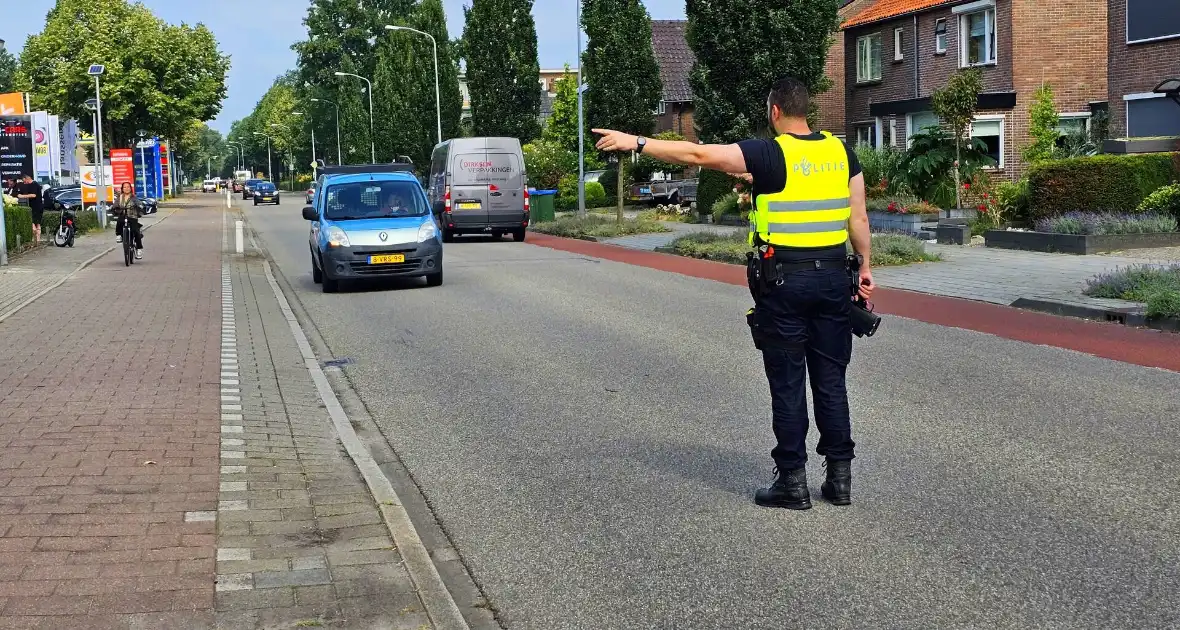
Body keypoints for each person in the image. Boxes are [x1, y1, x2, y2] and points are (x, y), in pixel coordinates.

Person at [594, 76, 874, 510]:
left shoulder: (770, 151)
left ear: (775, 111)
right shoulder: (841, 153)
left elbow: (698, 153)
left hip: (784, 282)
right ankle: (840, 480)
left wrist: (637, 142)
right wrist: (867, 266)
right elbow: (858, 218)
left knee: (787, 382)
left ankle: (793, 483)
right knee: (831, 380)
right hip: (835, 279)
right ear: (808, 110)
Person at [113, 182, 145, 259]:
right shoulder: (120, 197)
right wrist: (114, 207)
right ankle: (118, 235)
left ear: (130, 188)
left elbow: (139, 203)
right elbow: (115, 204)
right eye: (124, 187)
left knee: (136, 231)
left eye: (128, 187)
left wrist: (140, 206)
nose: (126, 188)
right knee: (119, 221)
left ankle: (139, 249)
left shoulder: (133, 197)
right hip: (123, 215)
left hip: (132, 216)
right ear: (122, 189)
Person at [14, 175, 45, 244]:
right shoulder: (35, 184)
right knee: (38, 224)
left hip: (35, 207)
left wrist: (22, 196)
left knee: (33, 223)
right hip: (39, 206)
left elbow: (33, 195)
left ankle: (35, 240)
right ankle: (38, 241)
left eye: (24, 181)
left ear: (27, 179)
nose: (24, 183)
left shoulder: (33, 184)